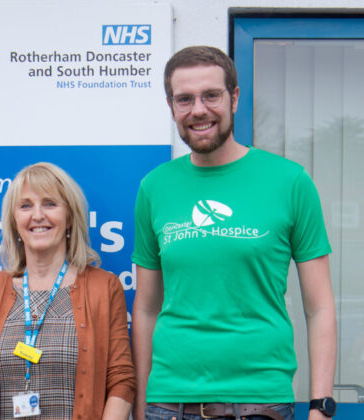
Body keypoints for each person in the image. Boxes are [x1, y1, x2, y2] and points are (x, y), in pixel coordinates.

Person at [131, 46, 337, 420]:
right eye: (184, 99)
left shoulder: (290, 182)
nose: (198, 109)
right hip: (169, 403)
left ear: (235, 98)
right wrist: (143, 407)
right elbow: (146, 309)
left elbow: (319, 307)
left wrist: (321, 407)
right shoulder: (154, 188)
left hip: (261, 404)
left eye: (211, 95)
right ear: (171, 105)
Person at [0, 162, 135, 420]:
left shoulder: (103, 287)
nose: (37, 215)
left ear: (70, 217)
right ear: (13, 220)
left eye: (50, 203)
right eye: (25, 205)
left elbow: (121, 380)